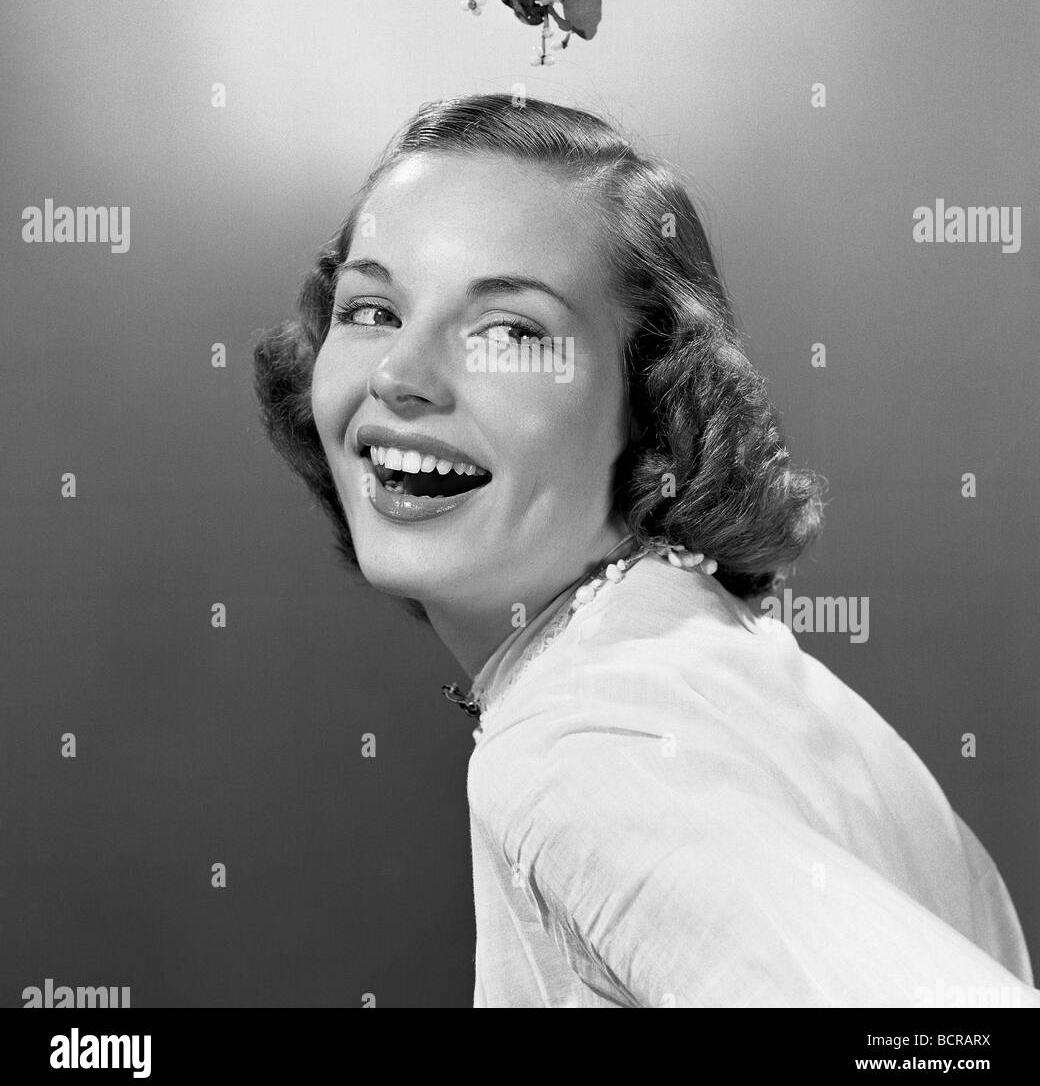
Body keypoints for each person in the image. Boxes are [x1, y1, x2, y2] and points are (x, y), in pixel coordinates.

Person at [252, 92, 1038, 1008]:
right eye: (374, 310)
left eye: (510, 331)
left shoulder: (577, 749)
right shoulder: (708, 661)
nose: (400, 375)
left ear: (657, 401)